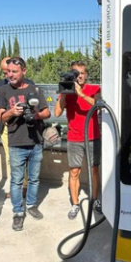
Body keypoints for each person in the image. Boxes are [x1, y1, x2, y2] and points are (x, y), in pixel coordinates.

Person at [0, 57, 51, 231]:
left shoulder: (35, 90)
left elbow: (47, 113)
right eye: (8, 71)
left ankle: (32, 205)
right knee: (17, 180)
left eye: (14, 71)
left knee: (34, 179)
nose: (10, 75)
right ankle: (18, 213)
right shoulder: (3, 91)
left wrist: (35, 115)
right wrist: (12, 111)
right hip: (16, 143)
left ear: (24, 71)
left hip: (35, 142)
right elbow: (0, 117)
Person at [54, 60, 102, 219]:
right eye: (76, 73)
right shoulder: (66, 90)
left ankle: (95, 200)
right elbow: (56, 113)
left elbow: (98, 104)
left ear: (86, 75)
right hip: (74, 138)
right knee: (74, 171)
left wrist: (81, 94)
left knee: (94, 170)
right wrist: (65, 96)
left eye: (82, 73)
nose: (79, 76)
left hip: (93, 137)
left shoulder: (94, 89)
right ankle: (75, 204)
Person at [0, 57, 35, 199]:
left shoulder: (29, 84)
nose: (7, 75)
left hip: (24, 128)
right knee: (10, 159)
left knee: (25, 159)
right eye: (4, 72)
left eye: (10, 71)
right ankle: (16, 187)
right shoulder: (1, 85)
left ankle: (25, 186)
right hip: (7, 127)